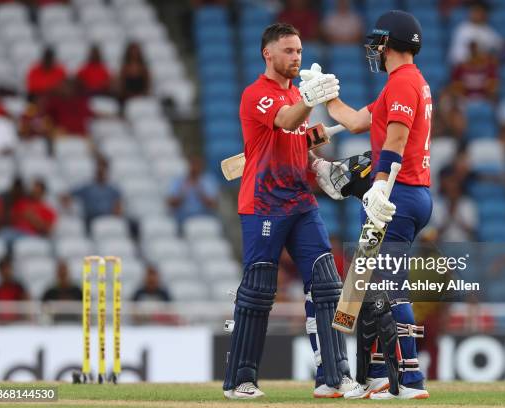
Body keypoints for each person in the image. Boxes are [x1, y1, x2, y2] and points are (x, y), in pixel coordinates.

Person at [223, 23, 355, 399]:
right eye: (288, 51)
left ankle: (333, 376)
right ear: (268, 54)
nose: (296, 57)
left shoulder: (297, 93)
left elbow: (298, 138)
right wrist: (309, 102)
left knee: (328, 283)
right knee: (259, 290)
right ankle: (240, 379)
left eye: (299, 51)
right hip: (264, 203)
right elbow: (285, 121)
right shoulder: (256, 95)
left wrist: (317, 164)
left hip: (300, 201)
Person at [313, 10, 432, 399]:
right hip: (409, 193)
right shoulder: (404, 82)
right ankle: (381, 375)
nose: (375, 51)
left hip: (397, 193)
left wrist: (379, 187)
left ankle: (410, 379)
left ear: (388, 44)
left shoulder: (402, 83)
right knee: (372, 286)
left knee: (390, 287)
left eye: (378, 44)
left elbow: (395, 141)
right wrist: (326, 97)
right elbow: (356, 122)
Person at [167, 156, 219, 224]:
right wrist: (183, 192)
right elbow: (170, 202)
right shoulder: (179, 180)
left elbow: (213, 205)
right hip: (182, 218)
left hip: (204, 216)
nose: (195, 168)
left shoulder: (209, 180)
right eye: (193, 164)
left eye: (197, 165)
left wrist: (199, 189)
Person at [70, 159, 122, 226]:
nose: (101, 171)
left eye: (103, 169)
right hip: (91, 218)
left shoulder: (113, 189)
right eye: (99, 169)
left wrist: (117, 213)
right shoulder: (87, 187)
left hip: (109, 216)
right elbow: (69, 195)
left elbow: (118, 204)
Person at [448, 1, 502, 66]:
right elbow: (472, 52)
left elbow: (501, 46)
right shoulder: (463, 29)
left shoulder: (488, 31)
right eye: (475, 11)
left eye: (480, 11)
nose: (478, 14)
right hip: (462, 68)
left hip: (481, 68)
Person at [0, 257, 29, 324]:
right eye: (4, 269)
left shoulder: (20, 289)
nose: (6, 271)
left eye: (8, 268)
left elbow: (27, 310)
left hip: (18, 327)